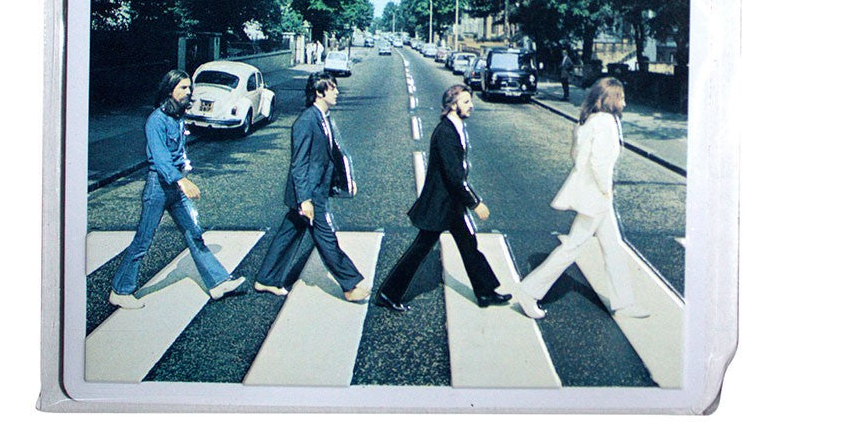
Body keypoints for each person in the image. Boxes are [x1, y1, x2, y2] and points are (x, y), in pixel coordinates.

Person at [514, 77, 648, 320]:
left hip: (593, 195)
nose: (625, 103)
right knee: (572, 247)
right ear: (610, 100)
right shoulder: (606, 123)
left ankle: (624, 303)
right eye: (621, 98)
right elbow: (599, 163)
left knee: (613, 248)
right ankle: (529, 290)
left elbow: (577, 156)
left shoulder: (589, 121)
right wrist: (606, 190)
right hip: (597, 197)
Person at [109, 70, 245, 309]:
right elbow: (160, 159)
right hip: (159, 187)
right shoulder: (156, 120)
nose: (188, 92)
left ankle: (218, 283)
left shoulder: (178, 117)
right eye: (183, 88)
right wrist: (181, 180)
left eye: (189, 87)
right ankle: (120, 290)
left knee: (194, 233)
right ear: (169, 89)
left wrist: (183, 173)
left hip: (175, 187)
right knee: (144, 240)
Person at [375, 85, 511, 314]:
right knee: (420, 249)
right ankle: (388, 294)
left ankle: (485, 291)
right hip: (440, 204)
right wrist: (475, 203)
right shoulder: (446, 133)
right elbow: (454, 176)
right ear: (453, 105)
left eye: (470, 101)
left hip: (451, 204)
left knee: (469, 245)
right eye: (466, 102)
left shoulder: (455, 127)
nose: (471, 106)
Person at [253, 77, 370, 301]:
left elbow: (333, 154)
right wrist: (304, 200)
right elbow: (298, 164)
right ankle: (350, 285)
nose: (337, 92)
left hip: (318, 188)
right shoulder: (306, 121)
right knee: (326, 238)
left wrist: (346, 181)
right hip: (310, 193)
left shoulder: (324, 118)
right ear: (319, 92)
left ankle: (266, 279)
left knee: (288, 233)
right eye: (332, 88)